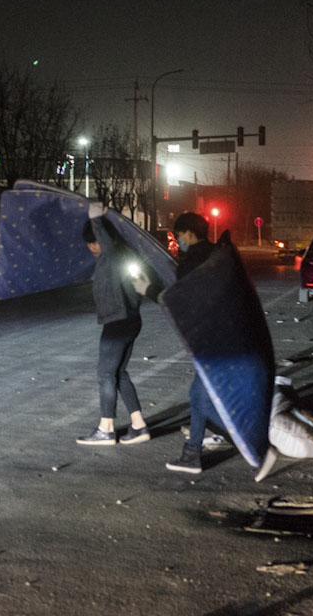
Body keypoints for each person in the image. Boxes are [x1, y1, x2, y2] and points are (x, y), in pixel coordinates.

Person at [131, 211, 218, 473]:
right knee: (207, 390)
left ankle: (193, 453)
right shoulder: (218, 253)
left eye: (179, 236)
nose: (178, 241)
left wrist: (148, 290)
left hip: (205, 333)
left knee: (199, 394)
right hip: (225, 329)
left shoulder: (192, 261)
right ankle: (215, 433)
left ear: (189, 233)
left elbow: (179, 302)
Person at [75, 202, 150, 446]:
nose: (91, 247)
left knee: (105, 373)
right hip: (130, 320)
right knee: (118, 373)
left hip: (117, 323)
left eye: (93, 241)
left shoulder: (113, 255)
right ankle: (139, 426)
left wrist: (96, 219)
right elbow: (142, 284)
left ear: (103, 239)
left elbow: (106, 245)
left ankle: (106, 428)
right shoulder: (127, 256)